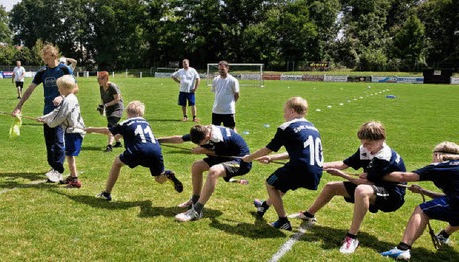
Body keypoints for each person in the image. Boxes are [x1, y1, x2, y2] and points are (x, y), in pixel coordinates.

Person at [292, 121, 406, 254]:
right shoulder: (365, 149)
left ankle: (352, 237)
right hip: (372, 186)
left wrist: (341, 175)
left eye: (368, 143)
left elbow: (364, 183)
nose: (364, 145)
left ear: (382, 140)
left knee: (361, 190)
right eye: (362, 142)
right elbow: (344, 164)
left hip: (392, 196)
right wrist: (317, 165)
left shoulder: (384, 157)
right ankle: (308, 214)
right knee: (330, 187)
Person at [241, 97, 323, 231]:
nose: (284, 115)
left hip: (298, 168)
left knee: (270, 184)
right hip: (316, 170)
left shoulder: (287, 127)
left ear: (292, 111)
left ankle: (283, 220)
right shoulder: (313, 128)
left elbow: (268, 148)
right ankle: (264, 206)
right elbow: (297, 152)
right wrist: (271, 158)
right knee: (281, 187)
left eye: (285, 111)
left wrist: (248, 158)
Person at [86, 100, 183, 201]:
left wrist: (91, 129)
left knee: (117, 163)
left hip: (139, 150)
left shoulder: (126, 122)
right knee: (159, 178)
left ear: (127, 113)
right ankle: (167, 175)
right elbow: (132, 134)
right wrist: (121, 135)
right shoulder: (146, 123)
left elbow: (108, 131)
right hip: (155, 149)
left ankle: (106, 193)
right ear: (141, 114)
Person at [380, 141, 459, 260]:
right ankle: (443, 235)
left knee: (422, 210)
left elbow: (404, 177)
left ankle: (402, 249)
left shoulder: (438, 167)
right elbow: (450, 198)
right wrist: (424, 191)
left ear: (438, 155)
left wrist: (376, 175)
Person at [12, 44, 77, 183]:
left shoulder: (64, 69)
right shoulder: (43, 72)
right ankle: (54, 167)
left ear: (54, 56)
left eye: (47, 58)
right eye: (44, 59)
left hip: (61, 112)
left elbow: (75, 88)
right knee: (49, 142)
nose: (45, 61)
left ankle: (58, 170)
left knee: (58, 141)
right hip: (47, 111)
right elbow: (30, 89)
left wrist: (63, 97)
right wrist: (19, 106)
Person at [173, 124, 252, 222]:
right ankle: (195, 200)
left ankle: (197, 211)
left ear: (207, 137)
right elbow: (180, 139)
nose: (198, 145)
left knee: (214, 171)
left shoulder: (221, 139)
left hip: (241, 162)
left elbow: (221, 153)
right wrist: (156, 141)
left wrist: (203, 150)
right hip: (224, 158)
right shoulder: (202, 132)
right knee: (196, 166)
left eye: (199, 144)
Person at [36, 75, 84, 188]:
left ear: (64, 88)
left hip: (74, 131)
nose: (58, 90)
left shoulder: (69, 100)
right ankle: (72, 176)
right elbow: (57, 111)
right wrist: (44, 118)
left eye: (59, 88)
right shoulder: (68, 98)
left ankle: (75, 180)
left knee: (70, 155)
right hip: (70, 130)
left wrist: (49, 123)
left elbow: (60, 117)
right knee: (68, 154)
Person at [97, 71, 123, 152]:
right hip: (109, 110)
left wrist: (106, 105)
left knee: (110, 126)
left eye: (100, 79)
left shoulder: (113, 87)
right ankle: (118, 142)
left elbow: (117, 99)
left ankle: (109, 146)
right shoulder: (101, 87)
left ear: (106, 79)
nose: (98, 81)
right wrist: (101, 106)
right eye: (97, 79)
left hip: (117, 109)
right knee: (113, 127)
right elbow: (102, 98)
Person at [211, 60, 239, 130]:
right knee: (215, 131)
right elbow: (216, 92)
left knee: (231, 130)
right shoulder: (215, 80)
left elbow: (237, 94)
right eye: (219, 69)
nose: (221, 71)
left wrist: (231, 103)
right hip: (216, 110)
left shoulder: (233, 80)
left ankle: (235, 141)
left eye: (222, 69)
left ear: (227, 68)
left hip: (228, 111)